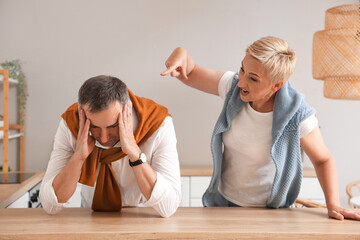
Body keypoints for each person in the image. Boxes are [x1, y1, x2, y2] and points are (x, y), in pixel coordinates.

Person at [160, 36, 360, 221]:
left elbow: (323, 159)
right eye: (242, 70)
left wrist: (333, 204)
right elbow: (190, 72)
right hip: (222, 205)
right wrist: (180, 52)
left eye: (253, 78)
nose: (242, 82)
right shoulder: (233, 87)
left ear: (276, 86)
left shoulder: (298, 114)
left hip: (271, 213)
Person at [40, 75, 181, 218]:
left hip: (144, 214)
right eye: (94, 126)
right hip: (91, 214)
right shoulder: (72, 123)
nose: (103, 138)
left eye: (113, 126)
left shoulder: (158, 123)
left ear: (127, 110)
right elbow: (50, 205)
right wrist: (78, 158)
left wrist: (135, 154)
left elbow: (169, 207)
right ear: (82, 113)